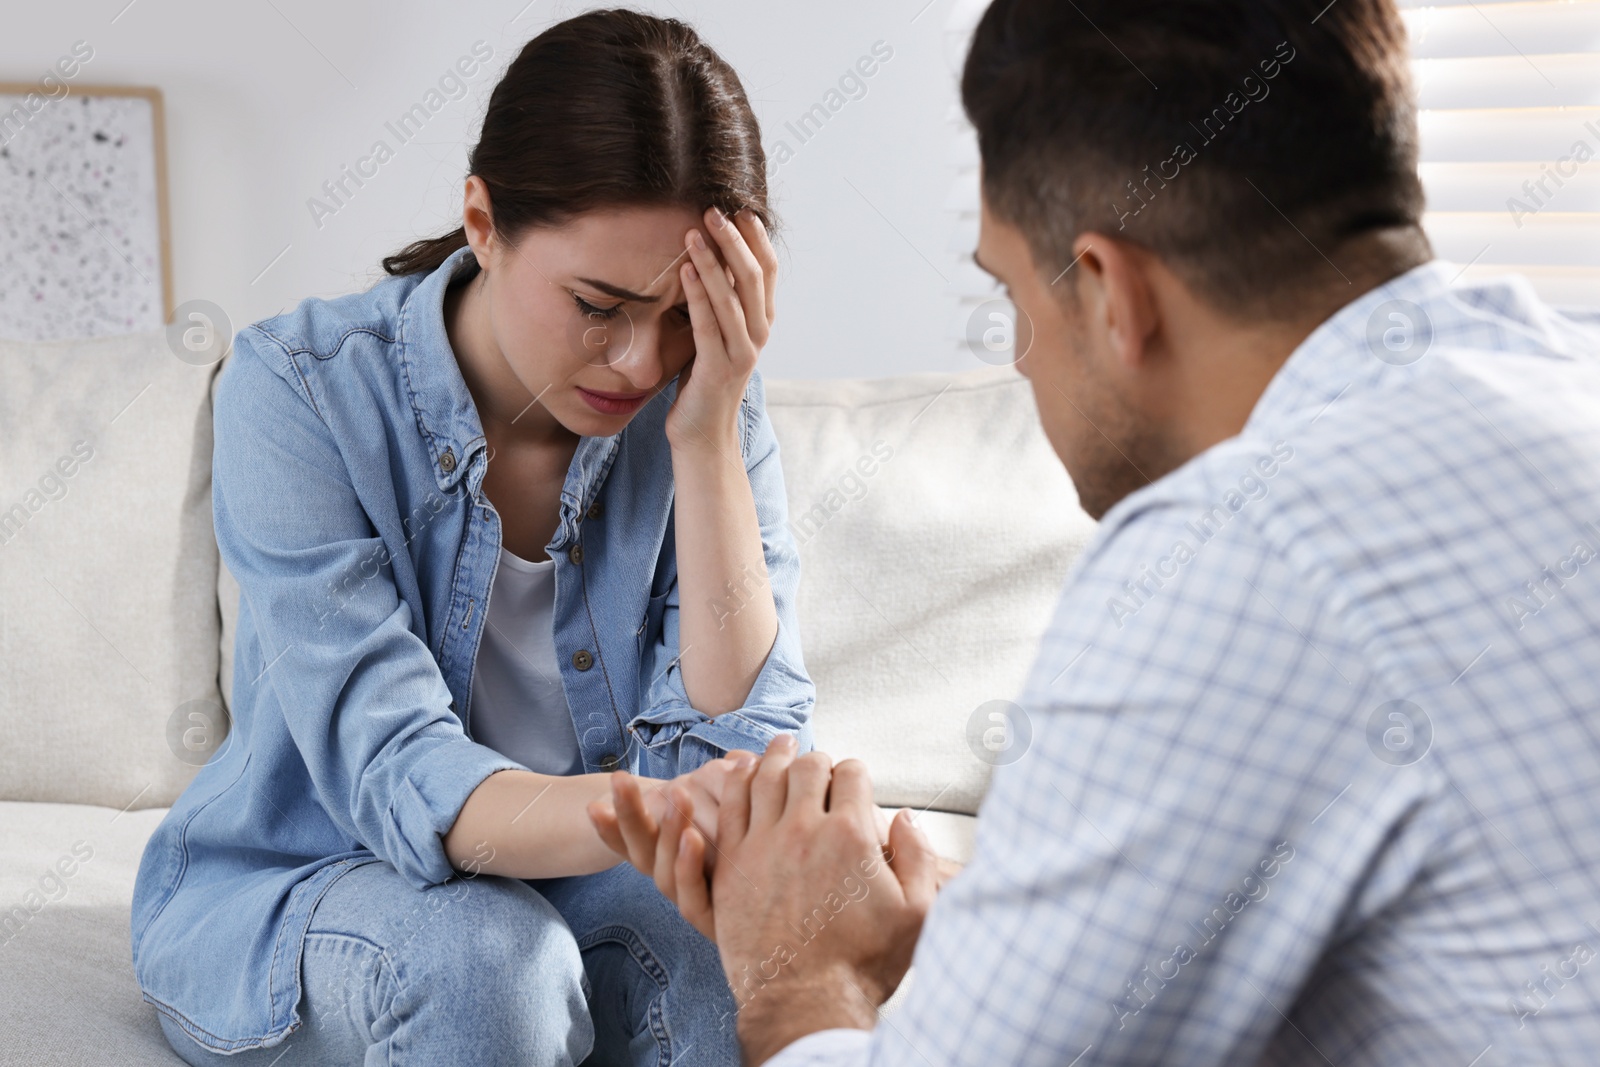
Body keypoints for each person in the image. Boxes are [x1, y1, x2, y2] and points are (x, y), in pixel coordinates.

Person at [591, 0, 1600, 1063]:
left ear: (1113, 292)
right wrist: (981, 942)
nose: (1020, 357)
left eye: (1012, 296)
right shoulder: (1564, 379)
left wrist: (796, 973)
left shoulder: (1235, 547)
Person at [130, 10, 813, 1066]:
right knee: (491, 960)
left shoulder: (700, 397)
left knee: (740, 951)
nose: (639, 360)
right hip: (319, 878)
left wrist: (711, 430)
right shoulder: (298, 391)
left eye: (681, 311)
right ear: (483, 222)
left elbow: (736, 750)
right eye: (599, 304)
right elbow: (398, 768)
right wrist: (660, 807)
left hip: (577, 880)